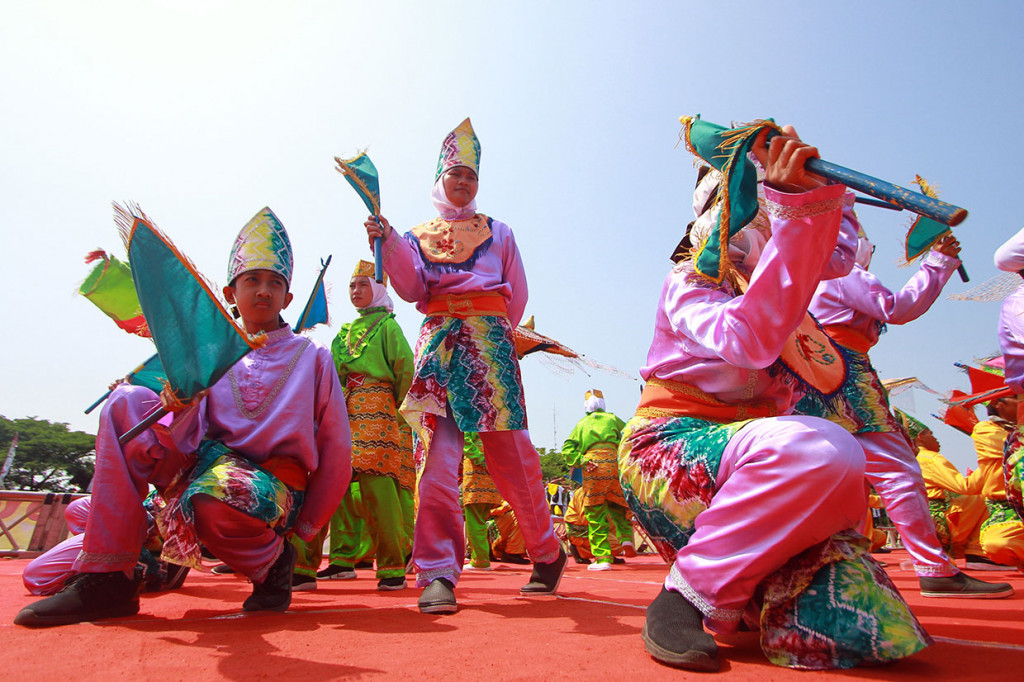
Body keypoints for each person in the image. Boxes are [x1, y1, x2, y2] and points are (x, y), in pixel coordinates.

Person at [618, 124, 931, 671]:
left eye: (765, 207)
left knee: (863, 624)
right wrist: (800, 210)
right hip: (670, 448)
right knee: (825, 448)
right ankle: (686, 593)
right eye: (749, 204)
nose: (753, 219)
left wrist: (823, 194)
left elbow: (837, 257)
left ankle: (743, 595)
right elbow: (747, 339)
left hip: (753, 463)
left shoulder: (790, 296)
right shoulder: (690, 280)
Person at [15, 208, 352, 626]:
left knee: (211, 498)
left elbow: (337, 445)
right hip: (197, 472)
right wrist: (181, 405)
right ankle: (115, 576)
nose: (263, 291)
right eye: (252, 280)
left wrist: (306, 531)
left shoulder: (312, 355)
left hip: (265, 488)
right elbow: (186, 441)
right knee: (125, 403)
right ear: (230, 292)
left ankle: (270, 564)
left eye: (274, 283)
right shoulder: (209, 350)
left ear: (288, 298)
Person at [365, 117, 565, 614]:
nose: (463, 181)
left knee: (511, 456)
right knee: (435, 454)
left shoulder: (501, 233)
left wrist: (493, 337)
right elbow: (410, 289)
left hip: (490, 340)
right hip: (438, 342)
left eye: (470, 175)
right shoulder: (413, 235)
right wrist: (387, 240)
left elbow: (516, 295)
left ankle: (546, 551)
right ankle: (437, 571)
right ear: (439, 178)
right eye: (455, 173)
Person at [794, 213, 1012, 598]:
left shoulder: (808, 275)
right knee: (897, 468)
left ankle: (843, 562)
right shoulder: (841, 272)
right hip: (848, 374)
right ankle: (933, 567)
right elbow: (897, 307)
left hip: (813, 375)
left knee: (841, 474)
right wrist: (938, 263)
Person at [295, 260, 414, 591]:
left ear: (377, 289)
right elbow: (332, 376)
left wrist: (398, 413)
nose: (356, 291)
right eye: (352, 285)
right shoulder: (345, 332)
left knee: (378, 488)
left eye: (363, 284)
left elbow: (405, 369)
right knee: (329, 483)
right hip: (343, 410)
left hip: (379, 412)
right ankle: (311, 565)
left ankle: (392, 566)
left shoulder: (389, 327)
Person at [894, 409, 991, 567]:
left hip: (914, 524)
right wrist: (990, 462)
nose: (936, 439)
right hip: (936, 521)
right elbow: (965, 486)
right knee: (982, 497)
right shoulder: (929, 458)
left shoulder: (908, 460)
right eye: (931, 434)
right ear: (920, 437)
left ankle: (929, 552)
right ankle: (977, 551)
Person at [561, 389, 634, 570]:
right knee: (619, 504)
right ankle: (626, 537)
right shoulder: (613, 419)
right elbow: (630, 436)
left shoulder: (582, 424)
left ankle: (602, 558)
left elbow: (568, 447)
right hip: (614, 464)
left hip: (592, 466)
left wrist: (581, 460)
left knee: (595, 513)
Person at [968, 396, 1024, 568]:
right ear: (997, 404)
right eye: (1017, 397)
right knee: (999, 543)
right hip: (1010, 509)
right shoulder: (985, 428)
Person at [461, 431, 501, 570]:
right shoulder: (495, 418)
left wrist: (481, 460)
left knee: (475, 519)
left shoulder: (471, 416)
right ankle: (480, 557)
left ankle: (480, 560)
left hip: (476, 473)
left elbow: (465, 441)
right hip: (491, 474)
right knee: (481, 520)